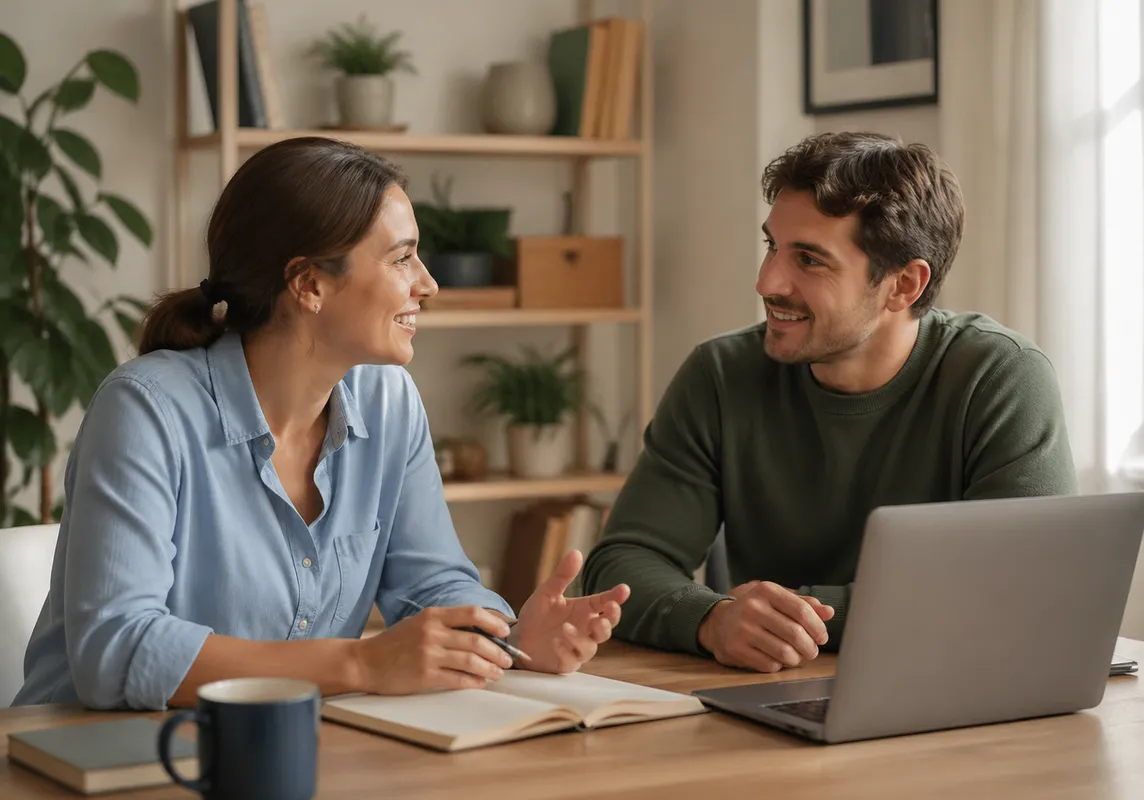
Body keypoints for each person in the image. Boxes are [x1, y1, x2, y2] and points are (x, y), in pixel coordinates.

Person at [14, 136, 630, 711]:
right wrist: (359, 665)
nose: (429, 284)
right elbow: (114, 650)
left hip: (283, 752)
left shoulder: (390, 401)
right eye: (402, 259)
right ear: (308, 283)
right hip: (84, 759)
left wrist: (514, 640)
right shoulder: (145, 410)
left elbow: (430, 581)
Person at [581, 131, 1076, 675]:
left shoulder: (1000, 378)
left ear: (903, 285)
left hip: (956, 690)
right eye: (772, 245)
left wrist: (797, 617)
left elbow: (1021, 588)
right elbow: (620, 565)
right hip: (767, 699)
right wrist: (712, 618)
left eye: (810, 260)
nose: (767, 281)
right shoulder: (720, 376)